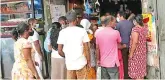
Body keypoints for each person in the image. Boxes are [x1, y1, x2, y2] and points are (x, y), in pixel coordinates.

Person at [57, 10, 90, 79]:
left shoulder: (62, 32)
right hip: (81, 62)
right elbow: (87, 48)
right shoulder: (82, 31)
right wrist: (88, 61)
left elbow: (59, 51)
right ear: (76, 19)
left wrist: (67, 56)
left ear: (67, 21)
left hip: (69, 64)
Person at [128, 14, 148, 79]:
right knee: (140, 72)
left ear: (135, 21)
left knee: (136, 73)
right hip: (142, 52)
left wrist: (131, 54)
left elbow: (135, 42)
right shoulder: (144, 28)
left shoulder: (135, 29)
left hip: (136, 54)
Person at [116, 11, 133, 79]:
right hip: (131, 45)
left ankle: (126, 76)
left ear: (121, 16)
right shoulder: (131, 23)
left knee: (125, 61)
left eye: (118, 16)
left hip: (123, 46)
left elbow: (116, 34)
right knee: (131, 60)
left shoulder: (118, 24)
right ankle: (132, 74)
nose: (118, 18)